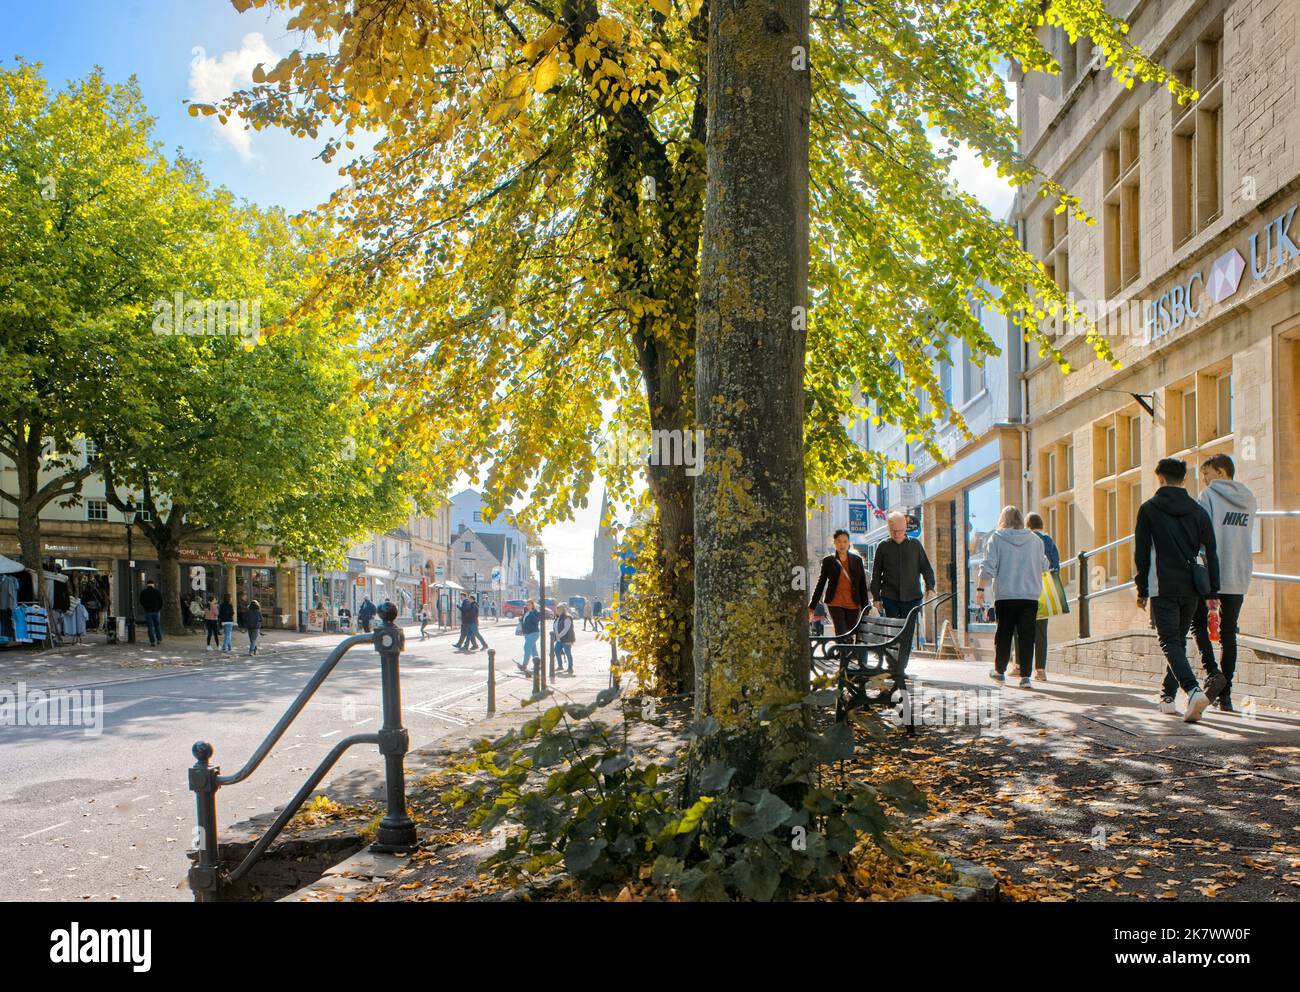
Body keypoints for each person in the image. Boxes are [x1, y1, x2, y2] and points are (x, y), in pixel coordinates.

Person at [1137, 457, 1226, 723]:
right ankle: (1167, 695)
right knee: (1176, 639)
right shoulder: (1198, 511)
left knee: (1169, 641)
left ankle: (1193, 690)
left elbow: (1141, 553)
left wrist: (1141, 588)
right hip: (1192, 588)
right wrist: (1212, 592)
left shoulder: (1149, 509)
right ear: (1184, 480)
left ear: (1160, 479)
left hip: (1162, 586)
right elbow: (1211, 551)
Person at [1192, 454, 1256, 712]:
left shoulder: (1207, 497)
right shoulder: (1249, 497)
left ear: (1220, 471)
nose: (1204, 480)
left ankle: (1213, 674)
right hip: (1239, 573)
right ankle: (1225, 696)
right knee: (1229, 634)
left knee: (1197, 626)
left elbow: (1201, 536)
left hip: (1211, 574)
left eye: (1206, 474)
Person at [977, 506, 1049, 688]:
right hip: (1029, 596)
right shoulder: (1035, 540)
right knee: (1027, 636)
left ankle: (999, 672)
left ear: (1003, 519)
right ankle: (1025, 677)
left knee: (1004, 634)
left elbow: (988, 566)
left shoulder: (996, 538)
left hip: (1006, 596)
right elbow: (1044, 565)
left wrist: (980, 589)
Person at [870, 512, 936, 619]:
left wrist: (930, 587)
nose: (896, 534)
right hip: (890, 597)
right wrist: (876, 598)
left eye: (899, 531)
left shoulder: (916, 545)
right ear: (888, 529)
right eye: (893, 531)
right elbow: (876, 574)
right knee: (894, 631)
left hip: (913, 597)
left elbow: (926, 568)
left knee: (908, 631)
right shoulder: (883, 546)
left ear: (905, 528)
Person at [808, 529, 871, 639]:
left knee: (851, 634)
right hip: (835, 603)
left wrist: (866, 607)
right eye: (839, 541)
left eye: (845, 541)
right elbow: (821, 583)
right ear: (834, 543)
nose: (842, 544)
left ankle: (846, 655)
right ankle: (843, 654)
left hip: (853, 604)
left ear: (849, 543)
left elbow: (862, 585)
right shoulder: (828, 560)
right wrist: (812, 606)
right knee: (841, 633)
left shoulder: (857, 560)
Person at [1025, 512, 1060, 681]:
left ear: (1027, 526)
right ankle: (1040, 670)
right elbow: (1056, 567)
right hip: (1044, 589)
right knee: (1041, 631)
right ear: (1042, 525)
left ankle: (1020, 667)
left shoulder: (1027, 540)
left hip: (1026, 589)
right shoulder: (1049, 541)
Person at [515, 599, 542, 674]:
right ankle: (538, 665)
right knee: (533, 649)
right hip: (527, 633)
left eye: (529, 604)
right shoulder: (526, 612)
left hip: (533, 633)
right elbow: (524, 622)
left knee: (527, 647)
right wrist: (520, 619)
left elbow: (536, 621)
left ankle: (524, 665)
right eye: (527, 604)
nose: (528, 606)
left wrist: (531, 612)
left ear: (533, 605)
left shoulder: (535, 612)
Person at [553, 603, 576, 675]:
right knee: (556, 651)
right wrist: (556, 637)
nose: (557, 611)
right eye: (557, 609)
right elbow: (555, 627)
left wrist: (559, 635)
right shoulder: (557, 618)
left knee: (568, 653)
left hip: (566, 639)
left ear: (563, 610)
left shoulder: (567, 618)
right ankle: (560, 666)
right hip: (559, 639)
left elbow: (566, 629)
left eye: (558, 609)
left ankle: (570, 668)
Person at [140, 580, 164, 646]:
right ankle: (159, 639)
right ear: (153, 584)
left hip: (148, 611)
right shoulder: (157, 592)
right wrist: (159, 608)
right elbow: (161, 601)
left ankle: (152, 641)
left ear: (147, 584)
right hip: (156, 611)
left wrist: (145, 607)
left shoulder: (143, 592)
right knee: (157, 626)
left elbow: (141, 601)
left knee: (150, 627)